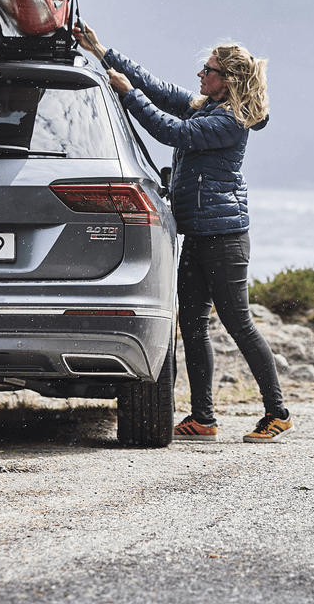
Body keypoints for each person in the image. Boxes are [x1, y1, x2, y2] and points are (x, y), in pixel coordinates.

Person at [74, 24, 293, 444]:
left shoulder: (229, 121)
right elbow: (155, 87)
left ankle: (277, 411)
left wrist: (126, 95)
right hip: (197, 233)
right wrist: (101, 51)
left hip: (225, 236)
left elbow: (169, 131)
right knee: (192, 324)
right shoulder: (205, 106)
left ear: (226, 81)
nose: (200, 75)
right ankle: (203, 419)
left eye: (207, 70)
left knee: (238, 323)